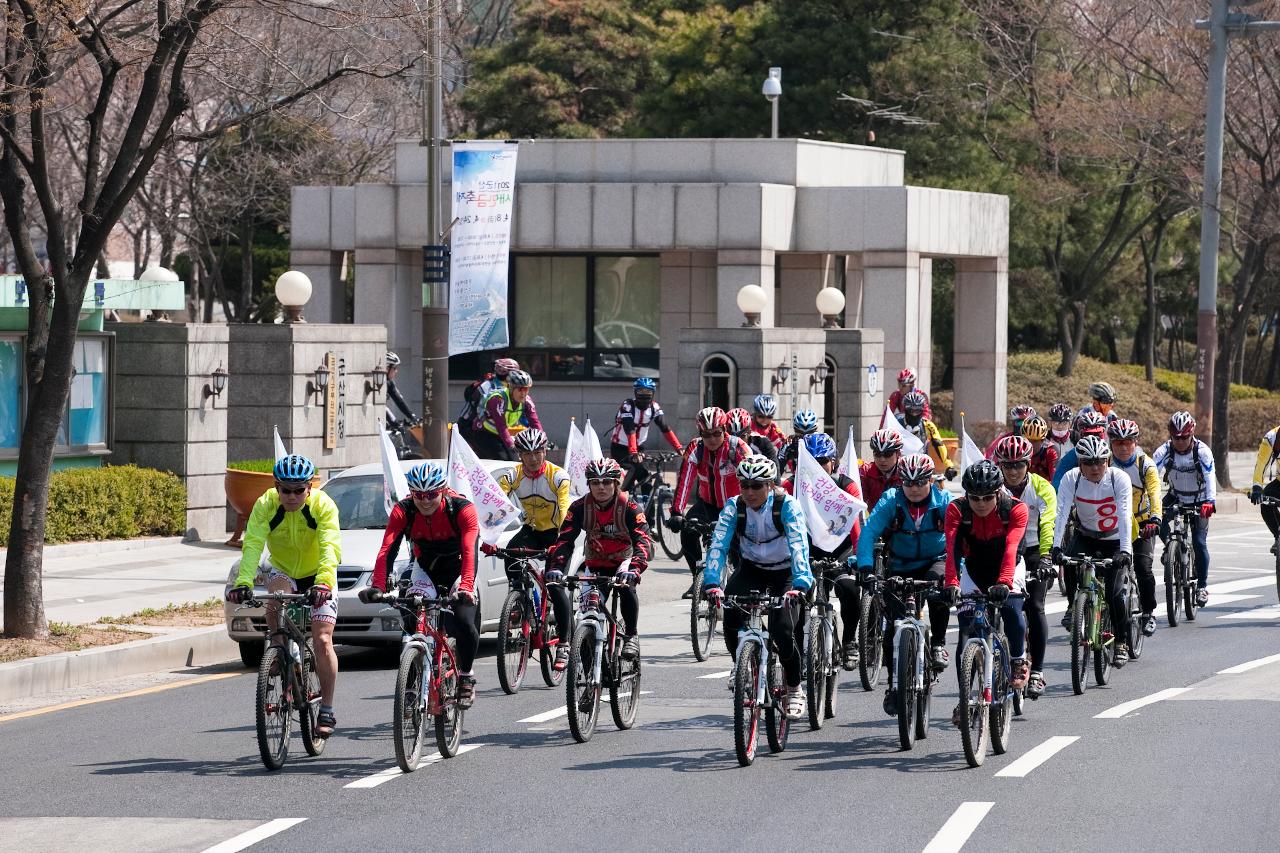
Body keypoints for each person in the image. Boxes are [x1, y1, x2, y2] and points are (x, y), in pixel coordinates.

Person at [228, 454, 342, 737]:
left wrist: (324, 582)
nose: (291, 496)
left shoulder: (322, 506)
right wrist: (243, 582)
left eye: (298, 490)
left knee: (323, 639)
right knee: (275, 596)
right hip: (284, 569)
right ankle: (278, 647)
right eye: (285, 490)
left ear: (309, 488)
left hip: (319, 573)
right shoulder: (266, 504)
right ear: (276, 487)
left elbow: (330, 546)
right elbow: (252, 544)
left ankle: (326, 707)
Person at [362, 462, 482, 708]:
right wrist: (379, 586)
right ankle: (412, 677)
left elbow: (470, 551)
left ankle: (466, 675)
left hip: (459, 569)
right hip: (425, 567)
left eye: (431, 495)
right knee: (410, 613)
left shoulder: (462, 509)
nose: (425, 501)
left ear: (443, 490)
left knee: (464, 621)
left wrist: (466, 587)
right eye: (419, 495)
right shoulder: (403, 510)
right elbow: (387, 550)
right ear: (411, 493)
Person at [703, 455, 814, 720]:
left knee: (782, 629)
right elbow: (718, 544)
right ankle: (741, 665)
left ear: (770, 485)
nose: (750, 492)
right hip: (752, 569)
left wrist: (800, 583)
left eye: (757, 485)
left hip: (786, 573)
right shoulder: (734, 507)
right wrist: (711, 582)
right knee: (730, 613)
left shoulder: (786, 505)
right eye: (744, 486)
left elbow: (799, 544)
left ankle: (794, 687)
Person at [854, 453, 954, 716]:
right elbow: (869, 532)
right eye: (907, 483)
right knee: (892, 630)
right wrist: (865, 568)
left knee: (938, 593)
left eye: (920, 482)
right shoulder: (891, 501)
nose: (913, 488)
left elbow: (959, 539)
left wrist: (955, 576)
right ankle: (893, 685)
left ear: (931, 480)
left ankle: (938, 644)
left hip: (936, 560)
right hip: (900, 564)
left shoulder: (944, 501)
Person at [945, 460, 1030, 725]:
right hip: (974, 569)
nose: (980, 504)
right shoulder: (956, 509)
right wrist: (951, 583)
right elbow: (952, 549)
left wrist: (1004, 583)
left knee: (1012, 611)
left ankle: (1017, 660)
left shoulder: (1015, 509)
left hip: (1009, 565)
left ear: (998, 493)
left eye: (987, 498)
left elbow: (1011, 548)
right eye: (975, 498)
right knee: (967, 633)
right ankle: (965, 699)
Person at [546, 458, 652, 661]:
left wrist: (635, 569)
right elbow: (565, 540)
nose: (601, 487)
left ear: (616, 484)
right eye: (595, 482)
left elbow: (643, 540)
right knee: (587, 614)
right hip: (595, 563)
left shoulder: (629, 507)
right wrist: (557, 568)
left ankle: (631, 634)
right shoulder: (578, 507)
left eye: (606, 482)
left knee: (626, 586)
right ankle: (588, 678)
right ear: (589, 485)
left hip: (624, 562)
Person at [1052, 436, 1135, 666]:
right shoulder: (1072, 479)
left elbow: (1125, 514)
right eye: (1088, 463)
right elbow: (1061, 514)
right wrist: (1056, 546)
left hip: (1115, 540)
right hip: (1087, 536)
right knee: (1068, 563)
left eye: (1100, 461)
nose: (1095, 467)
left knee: (1115, 593)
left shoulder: (1119, 478)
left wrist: (1126, 551)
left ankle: (1121, 642)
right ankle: (1073, 607)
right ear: (1080, 463)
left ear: (1108, 460)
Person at [496, 428, 574, 671]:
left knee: (555, 584)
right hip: (531, 530)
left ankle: (564, 642)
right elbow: (495, 501)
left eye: (538, 452)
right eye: (527, 453)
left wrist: (560, 542)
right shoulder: (513, 475)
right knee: (509, 554)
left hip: (555, 533)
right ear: (519, 454)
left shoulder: (557, 476)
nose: (533, 458)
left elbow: (563, 510)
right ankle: (520, 600)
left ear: (545, 451)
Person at [993, 436, 1056, 698]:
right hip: (1005, 549)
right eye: (1007, 466)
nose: (1013, 471)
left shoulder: (1042, 487)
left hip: (1033, 550)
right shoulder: (994, 488)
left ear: (1028, 464)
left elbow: (1048, 524)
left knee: (1036, 606)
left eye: (1018, 465)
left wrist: (1045, 557)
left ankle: (1038, 671)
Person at [668, 407, 752, 598]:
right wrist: (676, 512)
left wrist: (753, 509)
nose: (712, 439)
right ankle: (698, 578)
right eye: (706, 435)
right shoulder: (695, 448)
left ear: (725, 430)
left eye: (716, 433)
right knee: (688, 532)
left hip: (736, 505)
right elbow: (685, 479)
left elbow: (752, 477)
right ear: (700, 433)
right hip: (707, 505)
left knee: (739, 550)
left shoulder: (738, 447)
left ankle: (741, 590)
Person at [1152, 411, 1215, 607]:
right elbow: (1151, 476)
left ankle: (1202, 586)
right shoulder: (1163, 451)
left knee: (1199, 542)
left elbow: (1210, 476)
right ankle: (1170, 546)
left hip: (1199, 499)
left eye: (1184, 437)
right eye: (1176, 437)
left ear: (1192, 433)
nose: (1180, 441)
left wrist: (1210, 502)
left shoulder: (1202, 451)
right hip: (1176, 495)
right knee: (1155, 518)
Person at [1108, 418, 1161, 638]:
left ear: (1136, 442)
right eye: (1118, 442)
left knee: (1143, 567)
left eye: (1128, 442)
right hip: (1114, 524)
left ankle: (1149, 612)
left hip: (1142, 522)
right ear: (1110, 443)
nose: (1123, 447)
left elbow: (1155, 492)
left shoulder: (1145, 464)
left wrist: (1156, 518)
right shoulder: (1104, 462)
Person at [608, 377, 683, 494]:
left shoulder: (654, 407)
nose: (644, 396)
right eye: (641, 392)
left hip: (639, 448)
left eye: (648, 392)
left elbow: (665, 427)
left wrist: (679, 448)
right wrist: (633, 453)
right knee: (634, 470)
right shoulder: (628, 406)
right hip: (620, 447)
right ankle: (622, 496)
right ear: (635, 392)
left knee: (646, 478)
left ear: (653, 393)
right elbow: (630, 429)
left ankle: (648, 509)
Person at [475, 369, 542, 461]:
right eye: (520, 389)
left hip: (499, 434)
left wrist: (542, 440)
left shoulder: (527, 401)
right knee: (502, 459)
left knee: (515, 461)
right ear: (511, 388)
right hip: (483, 433)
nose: (523, 393)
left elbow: (534, 422)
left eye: (526, 389)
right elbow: (501, 426)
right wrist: (511, 445)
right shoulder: (498, 400)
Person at [458, 356, 519, 444]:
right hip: (472, 426)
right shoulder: (488, 386)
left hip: (493, 428)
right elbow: (482, 410)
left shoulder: (508, 386)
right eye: (500, 370)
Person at [899, 390, 957, 480]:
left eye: (917, 411)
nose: (914, 414)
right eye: (911, 410)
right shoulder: (896, 422)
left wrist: (949, 466)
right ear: (905, 410)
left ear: (922, 410)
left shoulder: (928, 425)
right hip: (900, 466)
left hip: (921, 465)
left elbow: (939, 444)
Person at [1052, 410, 1109, 490]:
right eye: (1088, 435)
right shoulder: (1072, 456)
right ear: (1081, 435)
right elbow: (1057, 484)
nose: (1092, 438)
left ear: (1104, 434)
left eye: (1097, 434)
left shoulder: (1112, 453)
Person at [1248, 423, 1280, 550]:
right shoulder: (1272, 437)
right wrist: (1257, 487)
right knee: (1266, 500)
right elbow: (1261, 463)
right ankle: (1278, 537)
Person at [860, 428, 904, 511]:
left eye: (887, 454)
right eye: (877, 454)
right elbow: (859, 501)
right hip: (875, 521)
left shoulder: (906, 472)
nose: (882, 459)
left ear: (898, 453)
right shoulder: (865, 472)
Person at [779, 409, 820, 474]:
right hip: (797, 479)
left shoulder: (823, 442)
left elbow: (835, 469)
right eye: (800, 434)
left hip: (820, 479)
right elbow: (779, 466)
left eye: (809, 434)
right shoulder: (790, 442)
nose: (805, 438)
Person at [384, 351, 418, 429]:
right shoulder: (379, 381)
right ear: (387, 367)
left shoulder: (389, 383)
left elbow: (399, 400)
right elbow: (383, 408)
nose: (396, 371)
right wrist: (394, 421)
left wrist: (411, 416)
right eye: (394, 368)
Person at [1020, 415, 1058, 483]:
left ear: (1042, 440)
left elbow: (1055, 479)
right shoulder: (1017, 451)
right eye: (1028, 440)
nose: (1031, 444)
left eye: (1035, 441)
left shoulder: (1050, 452)